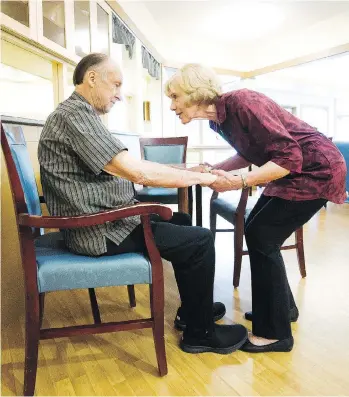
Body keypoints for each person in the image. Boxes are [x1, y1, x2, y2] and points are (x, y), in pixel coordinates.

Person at [38, 53, 248, 355]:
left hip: (107, 219)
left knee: (183, 223)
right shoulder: (74, 117)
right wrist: (200, 180)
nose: (120, 95)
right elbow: (137, 171)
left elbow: (132, 169)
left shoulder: (78, 116)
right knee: (200, 240)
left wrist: (189, 172)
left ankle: (191, 312)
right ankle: (201, 334)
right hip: (97, 230)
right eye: (116, 85)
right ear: (92, 79)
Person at [165, 63, 347, 353]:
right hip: (295, 169)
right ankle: (282, 309)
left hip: (316, 168)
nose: (172, 105)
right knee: (256, 231)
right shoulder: (219, 120)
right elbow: (249, 152)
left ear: (194, 91)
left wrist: (238, 181)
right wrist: (217, 169)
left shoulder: (243, 102)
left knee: (263, 236)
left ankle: (276, 334)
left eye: (175, 96)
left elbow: (289, 157)